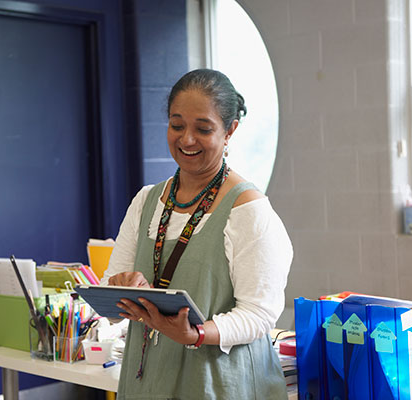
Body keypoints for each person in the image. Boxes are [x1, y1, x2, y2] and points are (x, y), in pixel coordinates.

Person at [100, 69, 293, 399]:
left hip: (218, 384)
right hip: (145, 381)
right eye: (177, 125)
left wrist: (198, 333)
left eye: (203, 129)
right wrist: (121, 289)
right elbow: (108, 294)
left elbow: (259, 314)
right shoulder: (147, 200)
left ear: (230, 131)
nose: (186, 139)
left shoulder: (248, 210)